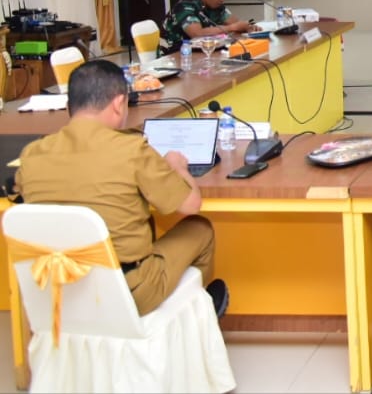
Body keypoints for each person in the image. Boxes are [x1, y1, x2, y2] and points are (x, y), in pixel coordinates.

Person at [17, 60, 228, 318]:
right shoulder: (132, 150)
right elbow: (190, 204)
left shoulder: (32, 154)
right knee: (200, 228)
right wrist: (177, 167)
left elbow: (20, 190)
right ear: (119, 103)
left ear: (70, 105)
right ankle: (197, 314)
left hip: (57, 289)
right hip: (127, 292)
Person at [161, 0, 254, 49]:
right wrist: (232, 28)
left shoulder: (215, 5)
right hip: (176, 54)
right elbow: (197, 34)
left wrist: (248, 27)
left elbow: (236, 23)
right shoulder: (186, 5)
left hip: (204, 52)